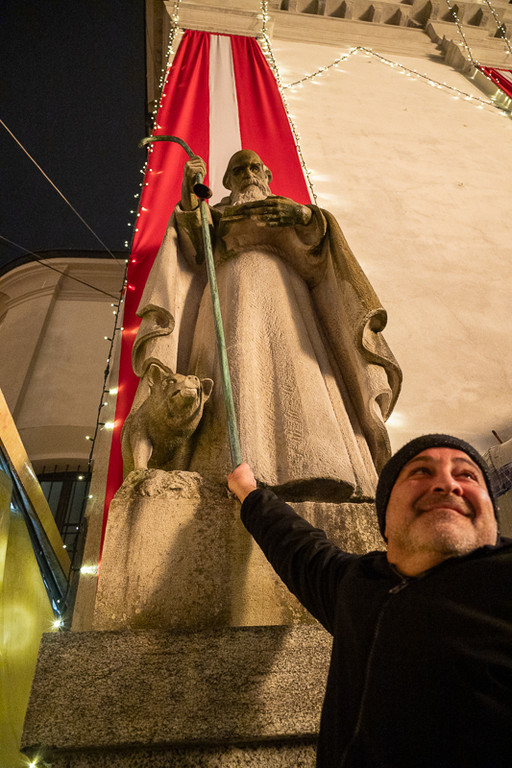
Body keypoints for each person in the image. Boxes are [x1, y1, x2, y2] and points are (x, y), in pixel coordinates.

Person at [227, 434, 512, 768]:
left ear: (493, 514)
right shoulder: (357, 586)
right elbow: (298, 548)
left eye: (467, 475)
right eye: (421, 472)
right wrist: (249, 492)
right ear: (385, 517)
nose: (448, 484)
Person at [130, 150, 401, 499]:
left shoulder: (290, 211)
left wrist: (304, 215)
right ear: (228, 181)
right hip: (228, 294)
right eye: (238, 170)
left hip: (287, 297)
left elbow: (322, 247)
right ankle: (229, 470)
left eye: (254, 167)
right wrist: (189, 195)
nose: (248, 174)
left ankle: (321, 468)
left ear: (267, 174)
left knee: (299, 371)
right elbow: (194, 246)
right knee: (235, 368)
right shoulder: (215, 213)